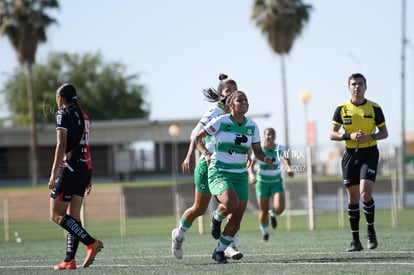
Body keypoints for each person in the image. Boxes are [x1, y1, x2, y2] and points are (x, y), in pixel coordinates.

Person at [194, 91, 273, 264]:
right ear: (231, 105)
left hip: (240, 175)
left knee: (237, 216)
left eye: (246, 99)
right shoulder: (221, 121)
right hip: (219, 171)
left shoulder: (252, 126)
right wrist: (206, 153)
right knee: (231, 203)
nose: (244, 102)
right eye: (240, 100)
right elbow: (198, 139)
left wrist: (266, 158)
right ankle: (217, 217)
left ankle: (219, 251)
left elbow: (258, 151)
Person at [171, 74, 243, 260]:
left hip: (227, 167)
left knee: (233, 205)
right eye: (228, 91)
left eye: (235, 90)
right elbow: (196, 135)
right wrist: (200, 154)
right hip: (208, 166)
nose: (232, 94)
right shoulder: (214, 111)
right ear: (220, 94)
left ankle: (229, 245)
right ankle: (178, 234)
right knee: (199, 209)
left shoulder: (237, 112)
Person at [329, 73, 388, 252]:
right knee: (353, 198)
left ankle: (370, 231)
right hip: (350, 155)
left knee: (365, 194)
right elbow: (332, 133)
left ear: (365, 87)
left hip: (369, 153)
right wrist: (349, 136)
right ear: (349, 87)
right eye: (353, 84)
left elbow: (384, 133)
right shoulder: (341, 108)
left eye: (360, 84)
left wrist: (371, 136)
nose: (357, 87)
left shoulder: (374, 108)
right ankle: (355, 241)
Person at [48, 83, 103, 269]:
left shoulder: (63, 114)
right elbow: (85, 145)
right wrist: (89, 174)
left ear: (61, 98)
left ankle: (91, 242)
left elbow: (61, 145)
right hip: (84, 168)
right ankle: (69, 260)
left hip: (69, 168)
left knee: (56, 214)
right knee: (74, 217)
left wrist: (54, 171)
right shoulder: (85, 116)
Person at [248, 127, 294, 241]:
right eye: (268, 134)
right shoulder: (258, 150)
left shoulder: (280, 148)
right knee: (262, 211)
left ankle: (272, 213)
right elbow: (250, 165)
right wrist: (251, 175)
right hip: (262, 183)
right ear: (263, 136)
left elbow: (286, 158)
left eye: (272, 135)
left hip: (276, 182)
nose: (270, 137)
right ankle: (265, 234)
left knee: (280, 208)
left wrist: (289, 169)